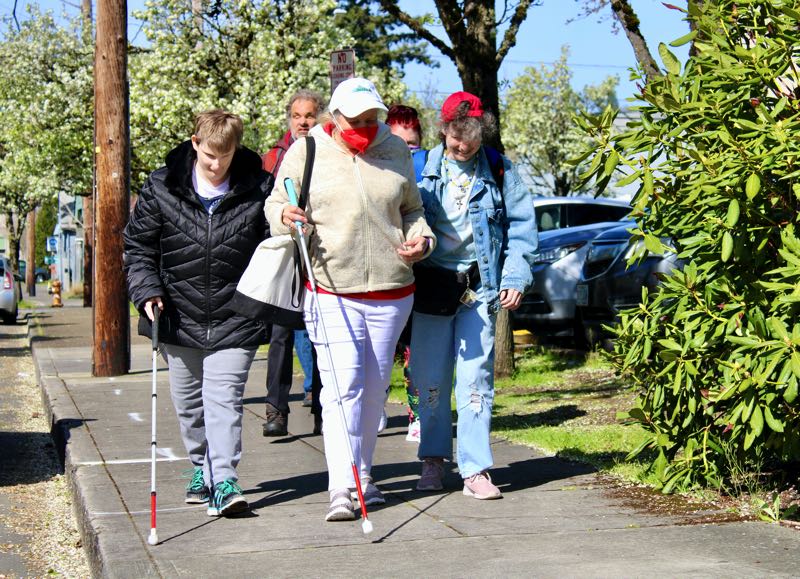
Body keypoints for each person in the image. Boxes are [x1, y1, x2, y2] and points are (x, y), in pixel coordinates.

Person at [265, 77, 435, 522]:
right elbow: (276, 202)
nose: (364, 127)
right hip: (330, 286)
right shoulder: (309, 149)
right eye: (355, 120)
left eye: (371, 119)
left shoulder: (395, 149)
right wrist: (285, 215)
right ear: (334, 117)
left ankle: (363, 475)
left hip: (392, 289)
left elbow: (412, 210)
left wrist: (422, 240)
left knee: (375, 393)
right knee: (343, 390)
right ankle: (342, 486)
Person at [124, 109, 272, 517]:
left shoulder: (259, 187)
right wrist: (147, 292)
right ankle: (200, 465)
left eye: (224, 155)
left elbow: (274, 242)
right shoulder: (162, 186)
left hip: (236, 313)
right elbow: (138, 248)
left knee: (223, 399)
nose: (216, 163)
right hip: (177, 314)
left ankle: (224, 480)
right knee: (189, 404)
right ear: (195, 143)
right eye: (209, 154)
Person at [410, 91, 537, 500]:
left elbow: (521, 229)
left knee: (475, 377)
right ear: (442, 128)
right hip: (431, 285)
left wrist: (515, 275)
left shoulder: (501, 171)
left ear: (481, 132)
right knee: (429, 379)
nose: (458, 143)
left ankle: (475, 469)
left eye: (467, 134)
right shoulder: (422, 168)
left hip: (478, 287)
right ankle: (432, 459)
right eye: (451, 133)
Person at [261, 89, 326, 438]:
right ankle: (276, 409)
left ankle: (321, 408)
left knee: (321, 334)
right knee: (280, 334)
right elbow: (264, 205)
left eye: (310, 115)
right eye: (298, 116)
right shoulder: (274, 158)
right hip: (286, 254)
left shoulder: (330, 152)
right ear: (289, 118)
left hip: (320, 255)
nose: (304, 122)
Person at [385, 104, 427, 443]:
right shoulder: (375, 162)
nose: (405, 150)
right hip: (381, 273)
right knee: (380, 350)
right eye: (398, 141)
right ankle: (376, 404)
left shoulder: (429, 167)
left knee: (415, 350)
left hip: (420, 272)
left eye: (411, 144)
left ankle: (417, 414)